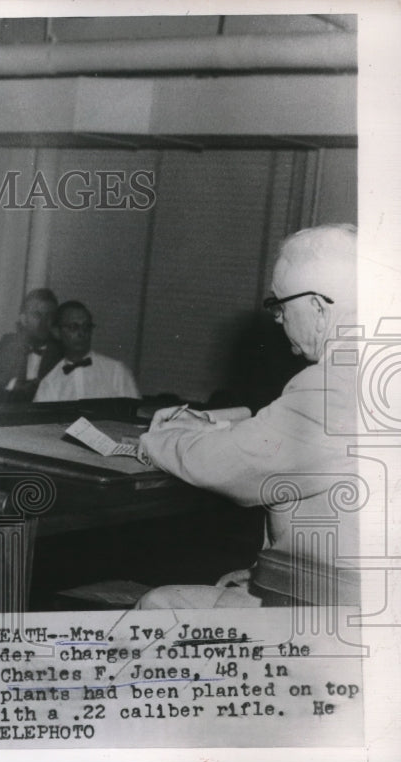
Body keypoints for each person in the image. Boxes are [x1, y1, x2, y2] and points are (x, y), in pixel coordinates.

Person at [136, 224, 359, 608]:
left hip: (330, 609)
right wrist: (274, 568)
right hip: (340, 587)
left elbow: (225, 467)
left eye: (281, 305)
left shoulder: (335, 382)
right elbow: (295, 444)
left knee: (160, 606)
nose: (278, 319)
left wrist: (158, 438)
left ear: (319, 310)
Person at [33, 300, 140, 402]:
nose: (81, 333)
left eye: (86, 326)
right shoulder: (49, 383)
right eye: (73, 327)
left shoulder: (117, 372)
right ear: (57, 332)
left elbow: (136, 415)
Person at [0, 288, 63, 404]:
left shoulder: (61, 352)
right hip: (12, 417)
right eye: (37, 315)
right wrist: (14, 384)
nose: (43, 322)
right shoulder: (10, 343)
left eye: (49, 316)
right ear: (23, 319)